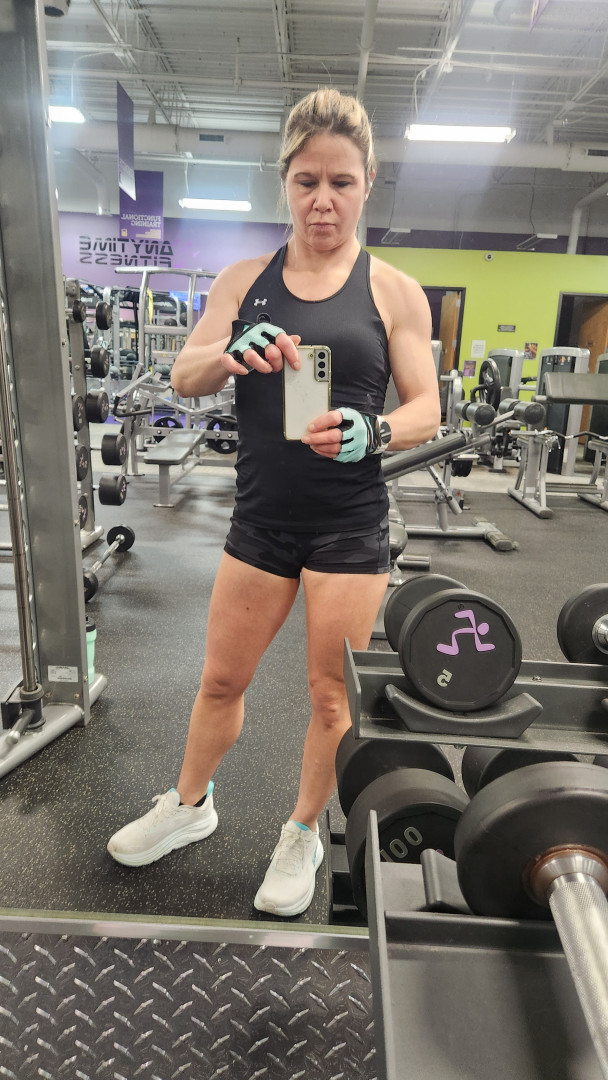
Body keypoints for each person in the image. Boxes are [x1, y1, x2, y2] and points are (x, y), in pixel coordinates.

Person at [107, 87, 441, 918]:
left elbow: (428, 409)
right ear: (284, 182)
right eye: (306, 181)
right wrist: (228, 350)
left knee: (330, 695)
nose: (323, 200)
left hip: (349, 525)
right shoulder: (242, 281)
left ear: (368, 184)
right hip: (260, 519)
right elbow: (183, 376)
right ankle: (190, 804)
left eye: (341, 182)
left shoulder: (395, 291)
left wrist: (374, 430)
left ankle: (301, 831)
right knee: (221, 678)